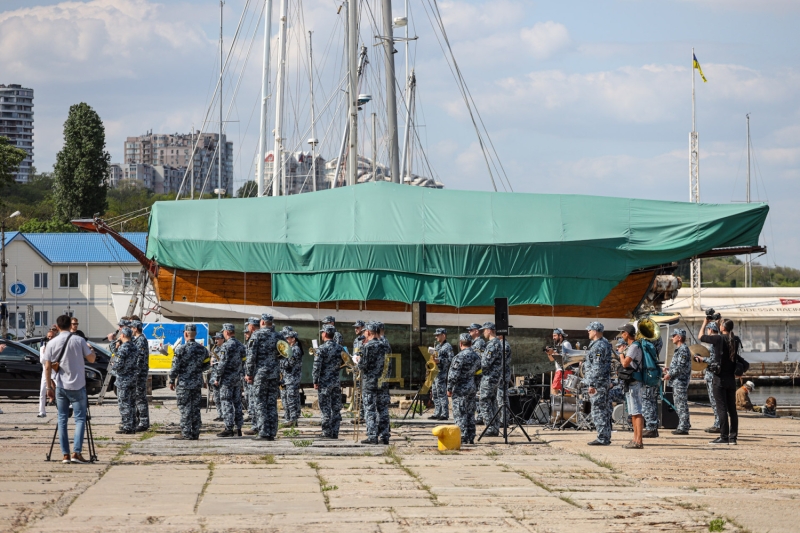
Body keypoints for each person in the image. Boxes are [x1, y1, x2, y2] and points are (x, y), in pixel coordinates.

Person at [44, 315, 96, 463]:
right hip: (78, 385)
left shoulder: (52, 343)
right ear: (71, 326)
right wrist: (92, 351)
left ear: (58, 327)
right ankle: (76, 453)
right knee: (80, 419)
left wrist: (49, 387)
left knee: (62, 419)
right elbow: (91, 359)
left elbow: (47, 366)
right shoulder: (79, 340)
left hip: (60, 385)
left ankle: (65, 454)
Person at [698, 317, 741, 445]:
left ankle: (723, 436)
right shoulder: (736, 339)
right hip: (731, 379)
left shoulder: (718, 339)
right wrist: (719, 321)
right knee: (732, 410)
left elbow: (701, 336)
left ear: (722, 327)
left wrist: (705, 321)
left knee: (721, 409)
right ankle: (733, 438)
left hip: (719, 378)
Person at [245, 315, 281, 440]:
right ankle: (272, 432)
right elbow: (285, 353)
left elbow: (251, 357)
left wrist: (249, 374)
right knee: (271, 403)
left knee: (260, 402)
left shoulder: (257, 335)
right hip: (274, 374)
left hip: (261, 374)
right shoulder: (279, 336)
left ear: (263, 322)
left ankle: (264, 432)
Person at [169, 324, 207, 440]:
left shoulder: (181, 349)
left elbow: (175, 367)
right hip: (196, 383)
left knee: (185, 407)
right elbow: (207, 364)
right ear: (195, 334)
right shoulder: (202, 349)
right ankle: (195, 433)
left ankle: (186, 433)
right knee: (195, 408)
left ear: (185, 334)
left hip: (184, 384)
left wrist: (171, 380)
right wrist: (197, 370)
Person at [447, 333, 482, 445]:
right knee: (470, 412)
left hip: (460, 389)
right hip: (471, 387)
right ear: (471, 343)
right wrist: (475, 385)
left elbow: (453, 375)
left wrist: (449, 388)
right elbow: (479, 373)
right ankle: (471, 436)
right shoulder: (477, 357)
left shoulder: (459, 357)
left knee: (460, 412)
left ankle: (462, 436)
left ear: (460, 343)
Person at [583, 322, 613, 446]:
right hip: (603, 382)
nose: (588, 332)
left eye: (589, 330)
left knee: (598, 410)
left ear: (595, 331)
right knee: (604, 410)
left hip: (598, 383)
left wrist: (592, 384)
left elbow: (597, 366)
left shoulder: (598, 346)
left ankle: (602, 438)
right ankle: (605, 437)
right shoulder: (604, 343)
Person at [214, 324, 245, 438]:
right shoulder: (240, 345)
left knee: (226, 402)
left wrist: (217, 377)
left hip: (227, 379)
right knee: (237, 403)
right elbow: (244, 360)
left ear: (226, 332)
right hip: (237, 378)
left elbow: (222, 364)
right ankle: (239, 428)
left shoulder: (226, 346)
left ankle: (228, 428)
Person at [313, 324, 343, 439]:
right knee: (336, 408)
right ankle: (335, 432)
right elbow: (343, 363)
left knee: (325, 407)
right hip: (336, 381)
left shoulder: (321, 348)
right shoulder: (340, 348)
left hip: (324, 383)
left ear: (325, 334)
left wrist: (315, 380)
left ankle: (326, 432)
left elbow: (316, 366)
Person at [359, 322, 386, 444]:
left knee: (369, 409)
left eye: (365, 331)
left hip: (369, 382)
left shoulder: (367, 347)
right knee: (383, 408)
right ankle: (385, 435)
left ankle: (372, 436)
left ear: (368, 332)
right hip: (382, 381)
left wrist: (358, 361)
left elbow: (363, 365)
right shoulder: (384, 345)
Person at [619, 323, 645, 449]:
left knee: (637, 411)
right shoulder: (632, 346)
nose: (621, 335)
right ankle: (635, 439)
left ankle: (639, 441)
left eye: (622, 332)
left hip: (635, 381)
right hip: (631, 381)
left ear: (627, 334)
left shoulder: (634, 346)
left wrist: (620, 354)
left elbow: (625, 364)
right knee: (633, 413)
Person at [664, 329, 692, 435]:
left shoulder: (683, 349)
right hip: (677, 381)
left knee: (681, 404)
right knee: (678, 403)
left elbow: (681, 366)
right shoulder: (680, 349)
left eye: (674, 335)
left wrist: (670, 374)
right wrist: (669, 369)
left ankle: (683, 427)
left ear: (679, 337)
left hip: (680, 381)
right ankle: (684, 424)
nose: (672, 338)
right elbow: (678, 365)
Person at [114, 327, 139, 435]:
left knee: (124, 403)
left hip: (123, 379)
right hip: (133, 378)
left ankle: (127, 426)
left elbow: (118, 365)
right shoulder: (135, 347)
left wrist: (113, 365)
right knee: (132, 403)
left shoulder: (123, 348)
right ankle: (133, 424)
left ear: (123, 335)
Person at [699, 321, 721, 433]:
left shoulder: (713, 344)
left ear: (710, 330)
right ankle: (718, 423)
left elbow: (712, 360)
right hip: (714, 375)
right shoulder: (721, 341)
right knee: (716, 401)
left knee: (714, 401)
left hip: (712, 375)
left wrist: (702, 359)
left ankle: (718, 424)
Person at [429, 328, 454, 420]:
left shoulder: (448, 346)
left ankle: (444, 413)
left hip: (442, 374)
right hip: (435, 373)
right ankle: (437, 412)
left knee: (441, 393)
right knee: (435, 393)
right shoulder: (438, 346)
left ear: (443, 335)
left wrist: (439, 360)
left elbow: (451, 360)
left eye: (438, 335)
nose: (436, 337)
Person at [130, 320, 150, 432]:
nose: (131, 330)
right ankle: (140, 420)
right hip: (138, 374)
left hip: (140, 374)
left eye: (132, 328)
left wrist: (136, 373)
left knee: (140, 398)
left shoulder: (141, 340)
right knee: (137, 398)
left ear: (135, 328)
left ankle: (144, 422)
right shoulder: (137, 340)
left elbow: (140, 359)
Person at [281, 331, 304, 425]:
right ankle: (289, 418)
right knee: (287, 399)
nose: (286, 340)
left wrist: (280, 363)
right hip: (288, 378)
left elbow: (289, 363)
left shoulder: (295, 349)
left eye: (288, 338)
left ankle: (293, 419)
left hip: (292, 378)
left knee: (291, 399)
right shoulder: (291, 348)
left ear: (293, 339)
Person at [37, 325, 58, 418]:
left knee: (61, 388)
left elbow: (58, 359)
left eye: (52, 336)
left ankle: (63, 408)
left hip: (55, 370)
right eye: (48, 337)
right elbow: (42, 360)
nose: (50, 338)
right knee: (42, 391)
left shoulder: (57, 346)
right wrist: (47, 355)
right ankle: (42, 411)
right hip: (46, 370)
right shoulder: (43, 347)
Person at [545, 328, 573, 393]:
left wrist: (554, 352)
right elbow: (552, 359)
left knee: (555, 388)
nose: (553, 338)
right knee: (564, 389)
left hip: (564, 369)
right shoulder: (558, 345)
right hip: (560, 369)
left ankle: (555, 402)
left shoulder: (566, 344)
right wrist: (549, 353)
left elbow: (565, 358)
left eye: (555, 336)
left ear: (560, 336)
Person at [209, 332, 224, 421]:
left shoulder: (225, 348)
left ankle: (224, 414)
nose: (216, 340)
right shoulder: (214, 349)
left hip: (222, 377)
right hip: (214, 375)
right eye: (215, 339)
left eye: (218, 338)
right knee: (217, 397)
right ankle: (220, 414)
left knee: (223, 397)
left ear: (223, 339)